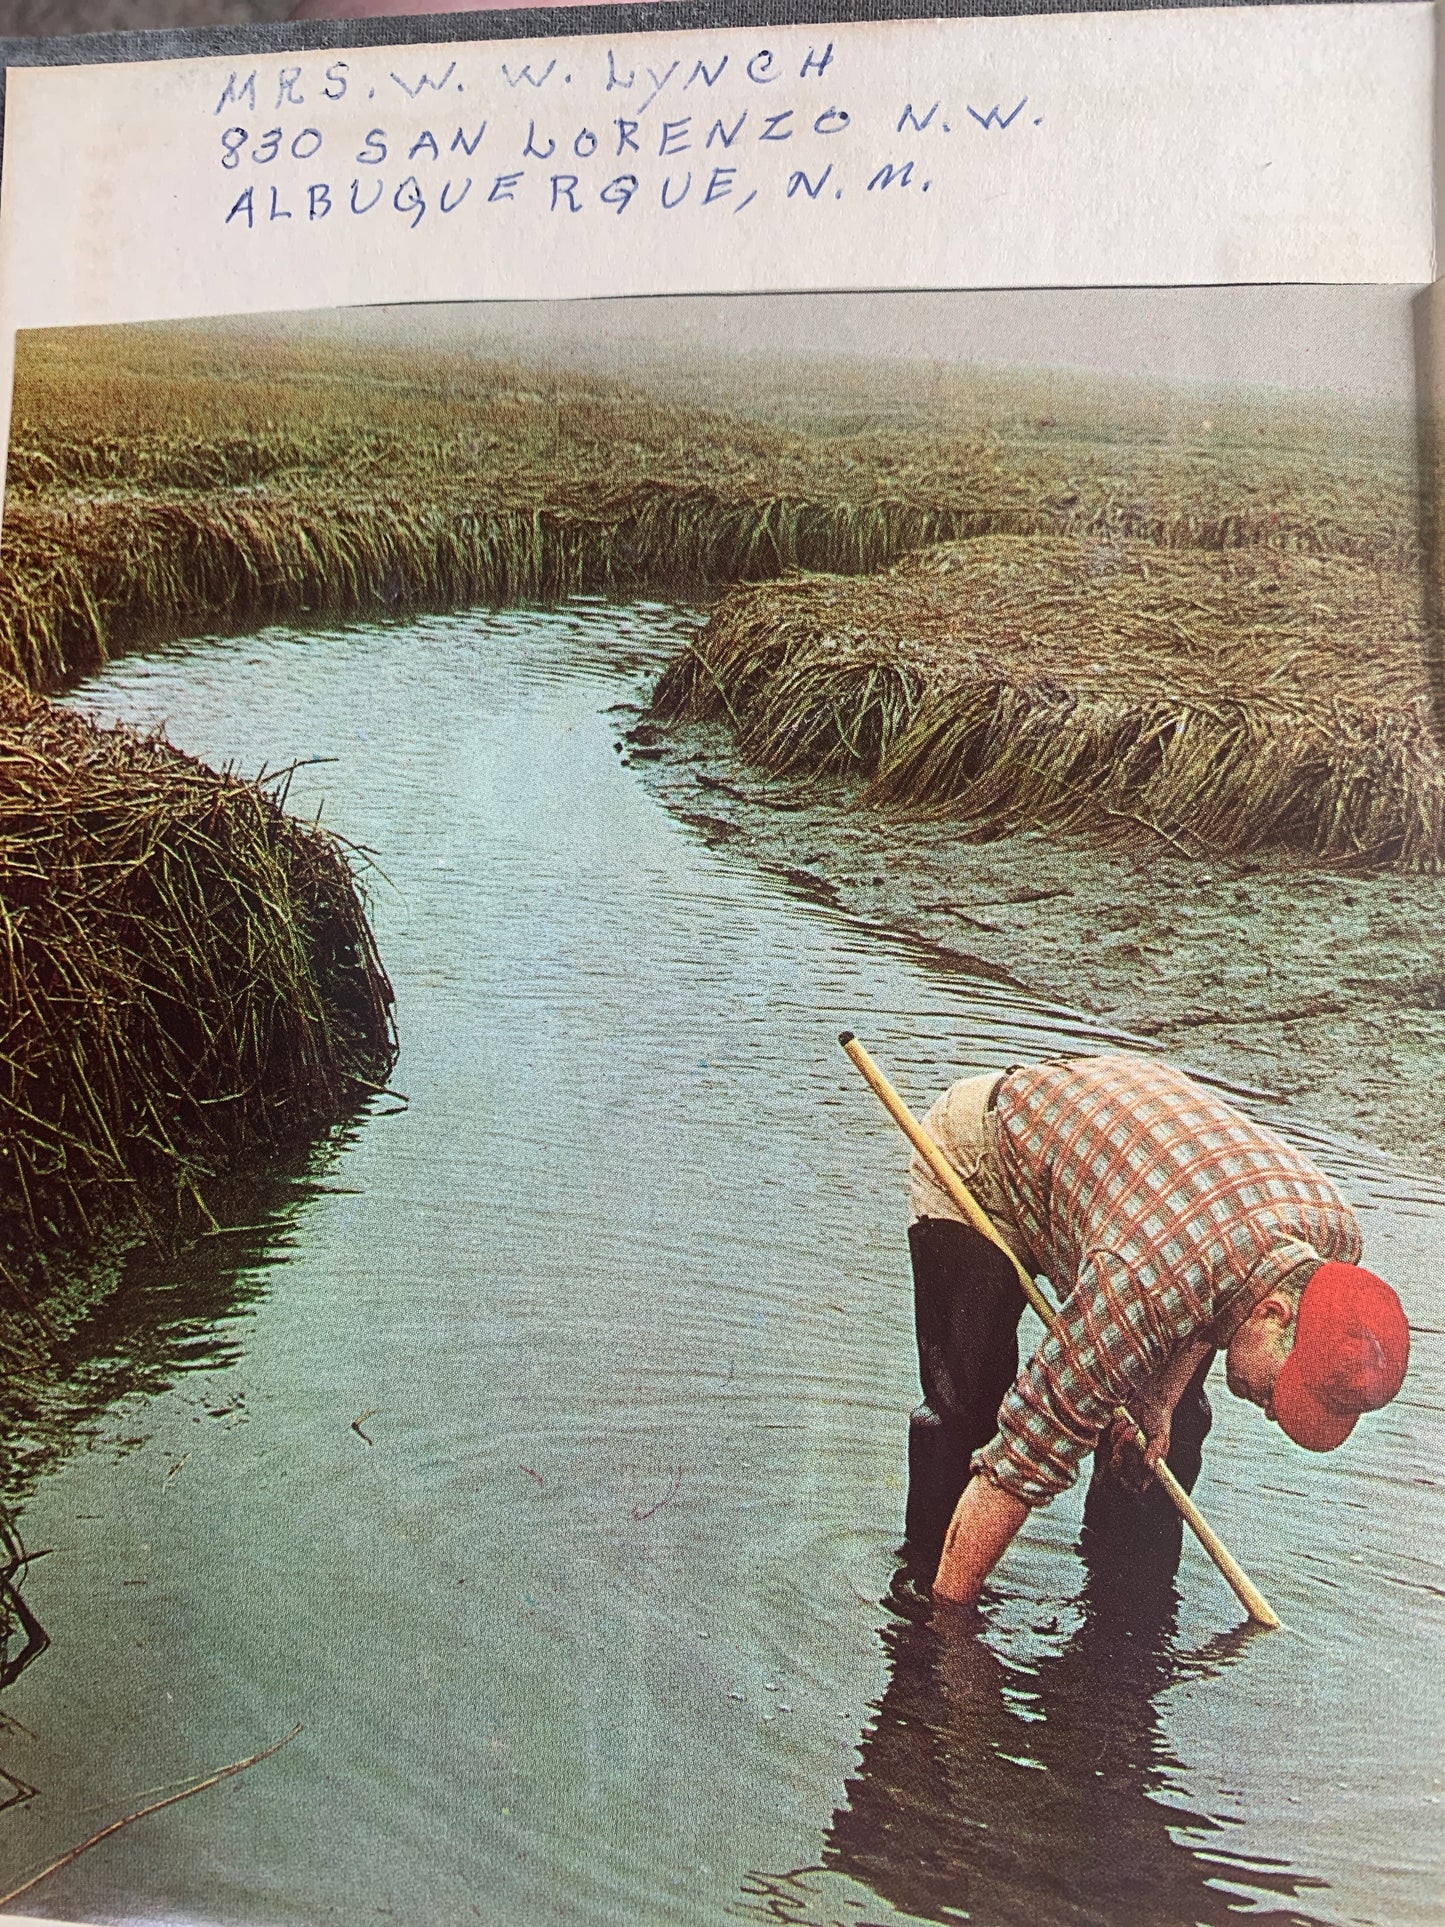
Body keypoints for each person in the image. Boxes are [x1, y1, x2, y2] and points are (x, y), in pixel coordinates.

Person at [903, 1052, 1410, 1605]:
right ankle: (926, 1588)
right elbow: (1022, 1462)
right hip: (990, 1158)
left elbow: (1218, 1280)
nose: (1272, 1409)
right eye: (1278, 1392)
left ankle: (1123, 1610)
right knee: (971, 1407)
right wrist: (948, 1644)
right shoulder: (1146, 1288)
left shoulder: (1335, 1241)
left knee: (1167, 1435)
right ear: (1274, 1314)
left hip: (1146, 1193)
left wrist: (1161, 1399)